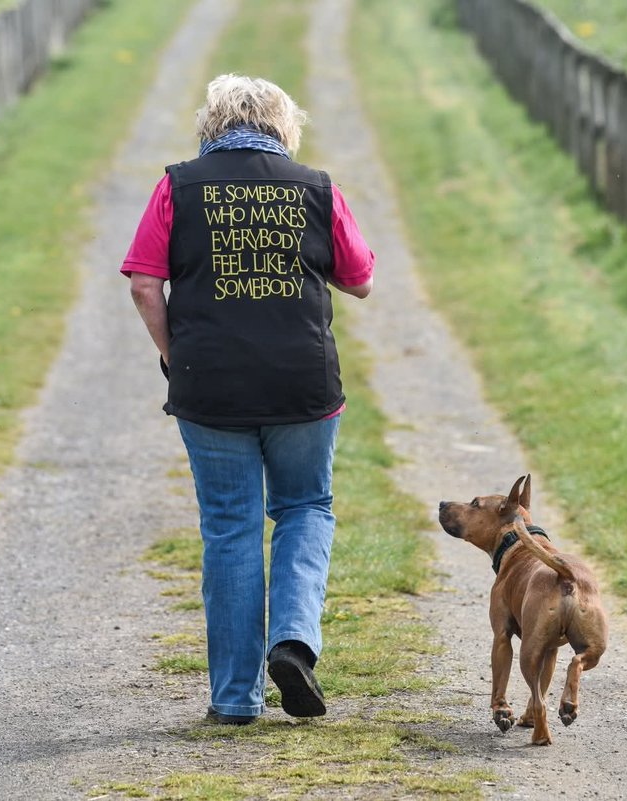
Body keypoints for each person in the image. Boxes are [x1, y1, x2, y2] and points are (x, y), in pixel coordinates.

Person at [121, 74, 374, 725]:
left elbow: (145, 284)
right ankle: (292, 641)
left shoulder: (177, 186)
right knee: (305, 506)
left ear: (211, 124)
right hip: (303, 386)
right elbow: (362, 277)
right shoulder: (315, 187)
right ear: (284, 126)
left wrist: (177, 356)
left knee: (230, 526)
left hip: (210, 388)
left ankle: (234, 697)